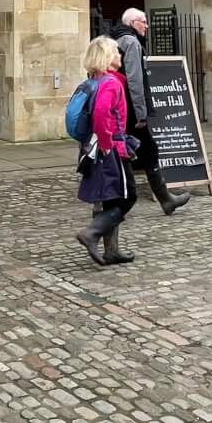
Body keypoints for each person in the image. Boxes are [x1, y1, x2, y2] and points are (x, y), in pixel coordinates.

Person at [113, 8, 192, 214]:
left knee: (122, 151)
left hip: (116, 105)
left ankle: (164, 199)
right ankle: (163, 199)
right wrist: (140, 112)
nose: (146, 26)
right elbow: (135, 79)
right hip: (129, 107)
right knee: (147, 150)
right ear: (132, 23)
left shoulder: (111, 38)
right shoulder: (130, 42)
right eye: (143, 22)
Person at [75, 35, 137, 266]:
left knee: (111, 199)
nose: (120, 55)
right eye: (117, 52)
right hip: (112, 148)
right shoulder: (110, 83)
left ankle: (112, 250)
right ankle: (92, 232)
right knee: (128, 195)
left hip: (97, 147)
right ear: (109, 57)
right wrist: (107, 144)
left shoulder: (96, 80)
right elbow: (102, 114)